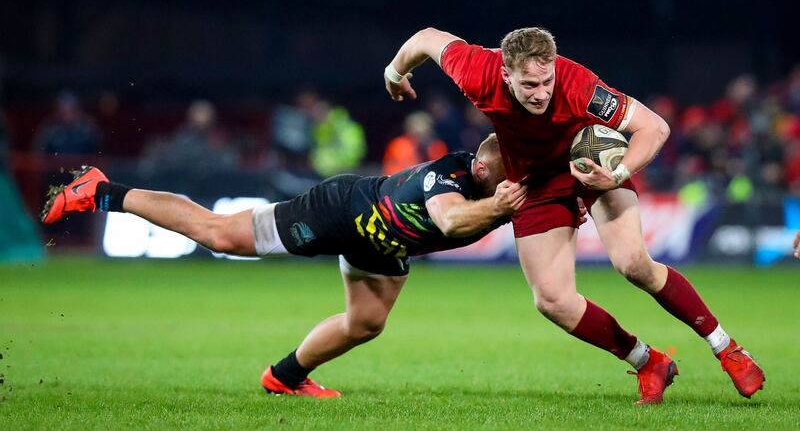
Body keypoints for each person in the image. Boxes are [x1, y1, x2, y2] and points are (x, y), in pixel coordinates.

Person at [383, 27, 764, 405]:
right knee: (552, 300)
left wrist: (615, 174)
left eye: (547, 81)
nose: (542, 93)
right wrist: (395, 73)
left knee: (633, 263)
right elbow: (425, 38)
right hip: (535, 183)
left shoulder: (579, 87)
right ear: (505, 73)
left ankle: (726, 348)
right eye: (530, 84)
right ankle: (649, 362)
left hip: (589, 167)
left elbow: (654, 127)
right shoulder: (478, 70)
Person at [41, 133, 550, 398]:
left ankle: (284, 377)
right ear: (482, 168)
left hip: (381, 244)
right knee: (219, 234)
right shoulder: (453, 176)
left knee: (366, 324)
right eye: (512, 174)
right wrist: (500, 208)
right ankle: (102, 190)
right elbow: (452, 220)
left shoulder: (506, 186)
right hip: (338, 212)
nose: (519, 181)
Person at [382, 111, 447, 175]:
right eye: (418, 134)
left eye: (426, 132)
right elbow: (407, 171)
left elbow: (441, 168)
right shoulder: (400, 145)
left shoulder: (436, 145)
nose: (423, 137)